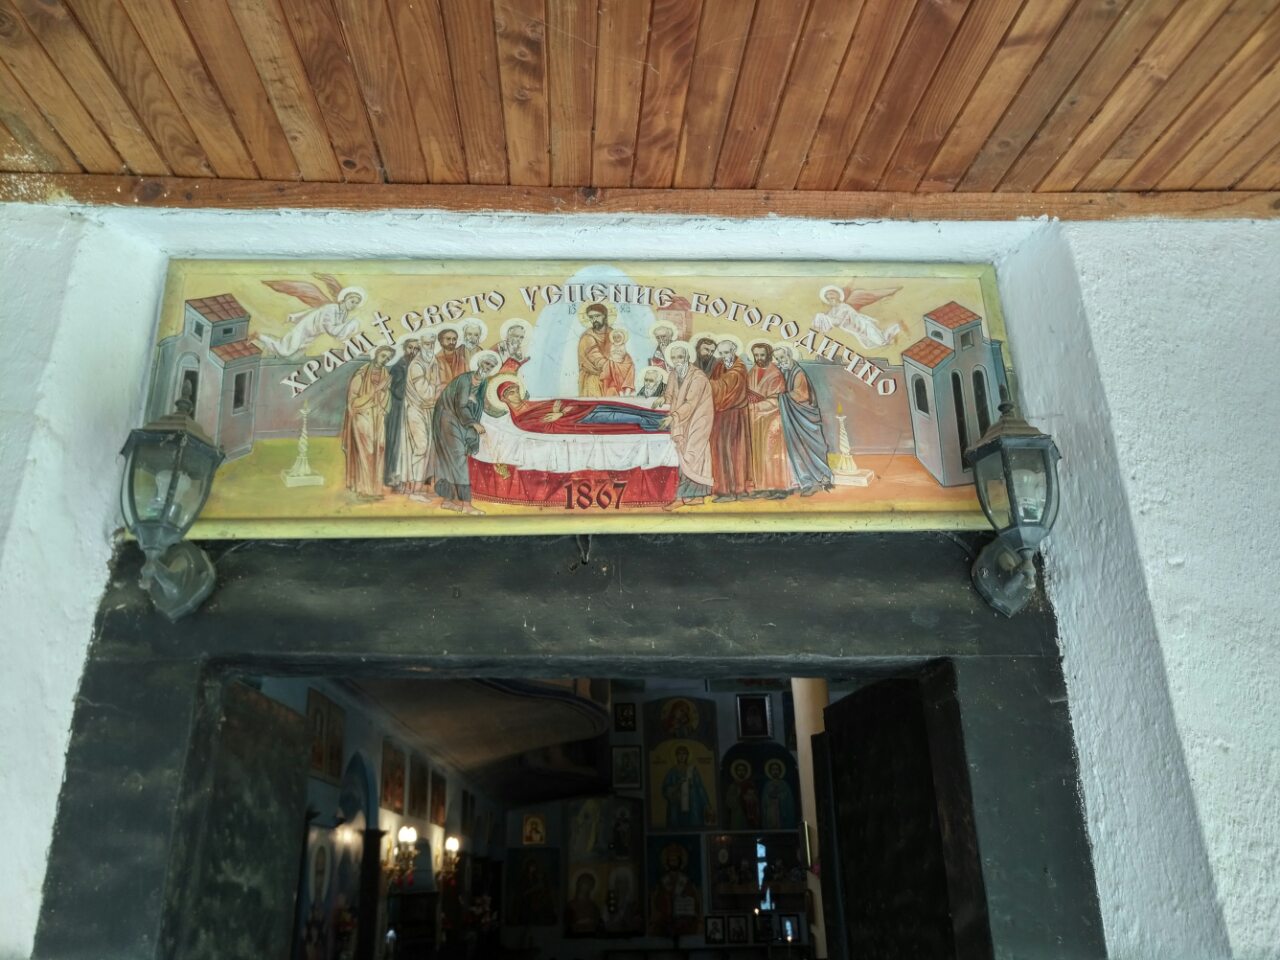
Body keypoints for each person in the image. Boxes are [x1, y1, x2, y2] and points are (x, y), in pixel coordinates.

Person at [431, 349, 500, 515]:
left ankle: (448, 501)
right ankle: (466, 504)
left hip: (460, 420)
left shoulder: (483, 383)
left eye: (491, 366)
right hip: (447, 419)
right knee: (457, 459)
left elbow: (480, 405)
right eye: (486, 363)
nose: (487, 367)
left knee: (453, 460)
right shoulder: (464, 379)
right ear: (479, 363)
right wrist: (474, 424)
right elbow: (461, 405)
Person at [773, 344, 834, 496]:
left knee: (809, 449)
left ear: (789, 355)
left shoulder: (798, 373)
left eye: (782, 357)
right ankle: (804, 481)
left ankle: (819, 480)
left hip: (805, 419)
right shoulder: (785, 372)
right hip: (793, 419)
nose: (780, 361)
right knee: (796, 450)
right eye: (777, 359)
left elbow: (802, 395)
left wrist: (780, 397)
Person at [660, 342, 714, 509]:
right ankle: (694, 496)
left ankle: (681, 498)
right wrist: (663, 399)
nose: (677, 361)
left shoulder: (698, 377)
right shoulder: (673, 374)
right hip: (682, 419)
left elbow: (691, 403)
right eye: (674, 357)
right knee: (683, 453)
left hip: (698, 419)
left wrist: (673, 417)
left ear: (687, 357)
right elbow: (669, 395)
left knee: (693, 454)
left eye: (680, 357)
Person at [340, 346, 393, 499]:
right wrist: (375, 391)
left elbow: (386, 399)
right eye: (383, 356)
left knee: (380, 449)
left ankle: (375, 489)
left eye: (388, 358)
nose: (385, 360)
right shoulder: (361, 374)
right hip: (362, 416)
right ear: (376, 354)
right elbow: (354, 402)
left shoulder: (385, 374)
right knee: (367, 451)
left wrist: (383, 393)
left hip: (378, 416)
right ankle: (364, 489)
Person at [746, 341, 795, 499]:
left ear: (768, 355)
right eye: (756, 355)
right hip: (757, 420)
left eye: (762, 355)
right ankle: (763, 487)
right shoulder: (753, 371)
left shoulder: (775, 374)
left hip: (773, 419)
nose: (759, 358)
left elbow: (776, 400)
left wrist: (754, 407)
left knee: (772, 453)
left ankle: (779, 488)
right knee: (759, 454)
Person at [399, 331, 443, 502]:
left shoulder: (433, 361)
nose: (429, 347)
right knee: (421, 447)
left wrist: (438, 390)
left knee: (428, 448)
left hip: (429, 410)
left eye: (432, 344)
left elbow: (437, 384)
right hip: (415, 410)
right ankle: (415, 492)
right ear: (421, 345)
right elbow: (426, 393)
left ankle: (418, 489)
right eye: (426, 344)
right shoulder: (416, 365)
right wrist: (439, 391)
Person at [709, 337, 752, 502]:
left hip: (736, 416)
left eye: (726, 352)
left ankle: (739, 490)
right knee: (720, 451)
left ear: (733, 351)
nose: (724, 356)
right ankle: (724, 491)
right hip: (720, 416)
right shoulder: (719, 366)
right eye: (721, 353)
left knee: (736, 452)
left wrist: (705, 384)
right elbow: (716, 386)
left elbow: (724, 385)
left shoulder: (739, 368)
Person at [812, 285, 903, 350]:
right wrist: (821, 318)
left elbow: (839, 320)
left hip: (863, 326)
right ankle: (890, 337)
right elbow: (829, 321)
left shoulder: (844, 307)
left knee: (879, 340)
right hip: (857, 331)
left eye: (832, 296)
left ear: (838, 296)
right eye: (828, 298)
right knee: (868, 345)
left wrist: (826, 319)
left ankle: (897, 329)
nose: (831, 299)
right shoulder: (833, 311)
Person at [382, 339, 416, 490]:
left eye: (416, 349)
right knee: (397, 444)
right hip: (399, 412)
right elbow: (397, 390)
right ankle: (394, 479)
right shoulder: (398, 367)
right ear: (404, 348)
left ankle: (408, 479)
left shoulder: (416, 366)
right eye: (410, 348)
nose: (413, 351)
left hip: (411, 412)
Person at [649, 842, 702, 936]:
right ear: (667, 861)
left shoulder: (686, 881)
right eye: (671, 860)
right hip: (665, 923)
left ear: (680, 861)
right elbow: (657, 901)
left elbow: (693, 900)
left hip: (684, 922)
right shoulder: (663, 881)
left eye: (675, 859)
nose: (673, 862)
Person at [662, 745, 712, 827]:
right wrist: (677, 785)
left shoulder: (692, 770)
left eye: (684, 754)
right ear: (676, 756)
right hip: (677, 806)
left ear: (687, 756)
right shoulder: (672, 772)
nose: (682, 756)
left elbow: (700, 788)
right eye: (679, 754)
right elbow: (665, 790)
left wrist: (707, 805)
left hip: (692, 805)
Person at [577, 302, 612, 396]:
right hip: (593, 379)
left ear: (604, 316)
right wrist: (615, 368)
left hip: (610, 378)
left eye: (597, 316)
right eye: (591, 317)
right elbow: (596, 359)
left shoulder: (613, 334)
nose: (594, 320)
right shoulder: (587, 337)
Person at [761, 759, 797, 828]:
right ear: (770, 771)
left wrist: (779, 797)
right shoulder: (767, 785)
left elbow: (789, 800)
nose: (775, 771)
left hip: (782, 812)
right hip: (771, 812)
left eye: (776, 769)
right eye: (773, 769)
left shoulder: (784, 784)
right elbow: (764, 801)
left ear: (780, 771)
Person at [600, 328, 636, 396]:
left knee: (630, 367)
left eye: (618, 337)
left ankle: (626, 389)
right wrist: (615, 353)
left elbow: (622, 353)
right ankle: (619, 390)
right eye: (615, 337)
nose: (616, 339)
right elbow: (612, 353)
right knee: (612, 365)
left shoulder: (623, 346)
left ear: (622, 338)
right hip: (614, 360)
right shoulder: (612, 345)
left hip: (622, 361)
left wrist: (617, 353)